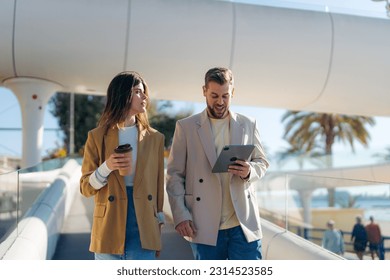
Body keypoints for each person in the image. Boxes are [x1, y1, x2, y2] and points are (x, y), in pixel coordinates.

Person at [166, 67, 269, 260]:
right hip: (203, 225)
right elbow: (174, 176)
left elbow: (262, 162)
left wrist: (249, 171)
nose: (220, 102)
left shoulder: (248, 123)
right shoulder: (186, 127)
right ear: (204, 91)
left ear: (233, 93)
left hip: (243, 224)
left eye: (225, 96)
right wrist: (181, 215)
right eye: (214, 95)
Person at [80, 71, 165, 260]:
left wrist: (158, 230)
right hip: (108, 226)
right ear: (122, 95)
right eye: (137, 92)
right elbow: (85, 187)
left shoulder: (155, 138)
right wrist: (107, 166)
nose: (144, 97)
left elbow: (159, 188)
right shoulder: (96, 136)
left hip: (143, 226)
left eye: (143, 92)